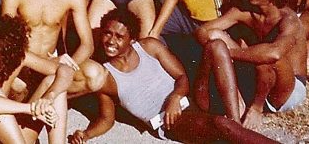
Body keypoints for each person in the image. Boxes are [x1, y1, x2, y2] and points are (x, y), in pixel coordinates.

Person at [69, 9, 276, 143]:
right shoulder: (107, 77)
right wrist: (86, 134)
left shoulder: (149, 47)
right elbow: (106, 118)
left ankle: (236, 124)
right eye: (107, 33)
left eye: (119, 36)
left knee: (215, 47)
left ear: (132, 39)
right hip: (173, 122)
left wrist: (175, 97)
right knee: (221, 126)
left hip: (192, 97)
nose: (111, 41)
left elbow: (181, 76)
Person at [1, 0, 102, 144]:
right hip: (21, 65)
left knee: (96, 75)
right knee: (23, 84)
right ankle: (24, 123)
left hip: (51, 65)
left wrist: (67, 64)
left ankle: (37, 117)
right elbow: (5, 40)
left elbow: (88, 44)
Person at [195, 0, 308, 129]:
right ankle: (237, 96)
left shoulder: (288, 20)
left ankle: (256, 108)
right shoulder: (245, 11)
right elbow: (203, 31)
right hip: (260, 76)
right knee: (216, 35)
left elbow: (274, 54)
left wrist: (227, 54)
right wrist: (224, 54)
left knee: (268, 57)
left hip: (287, 89)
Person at [0, 15, 74, 144]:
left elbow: (66, 71)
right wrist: (30, 108)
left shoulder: (18, 57)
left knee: (53, 82)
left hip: (11, 136)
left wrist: (48, 97)